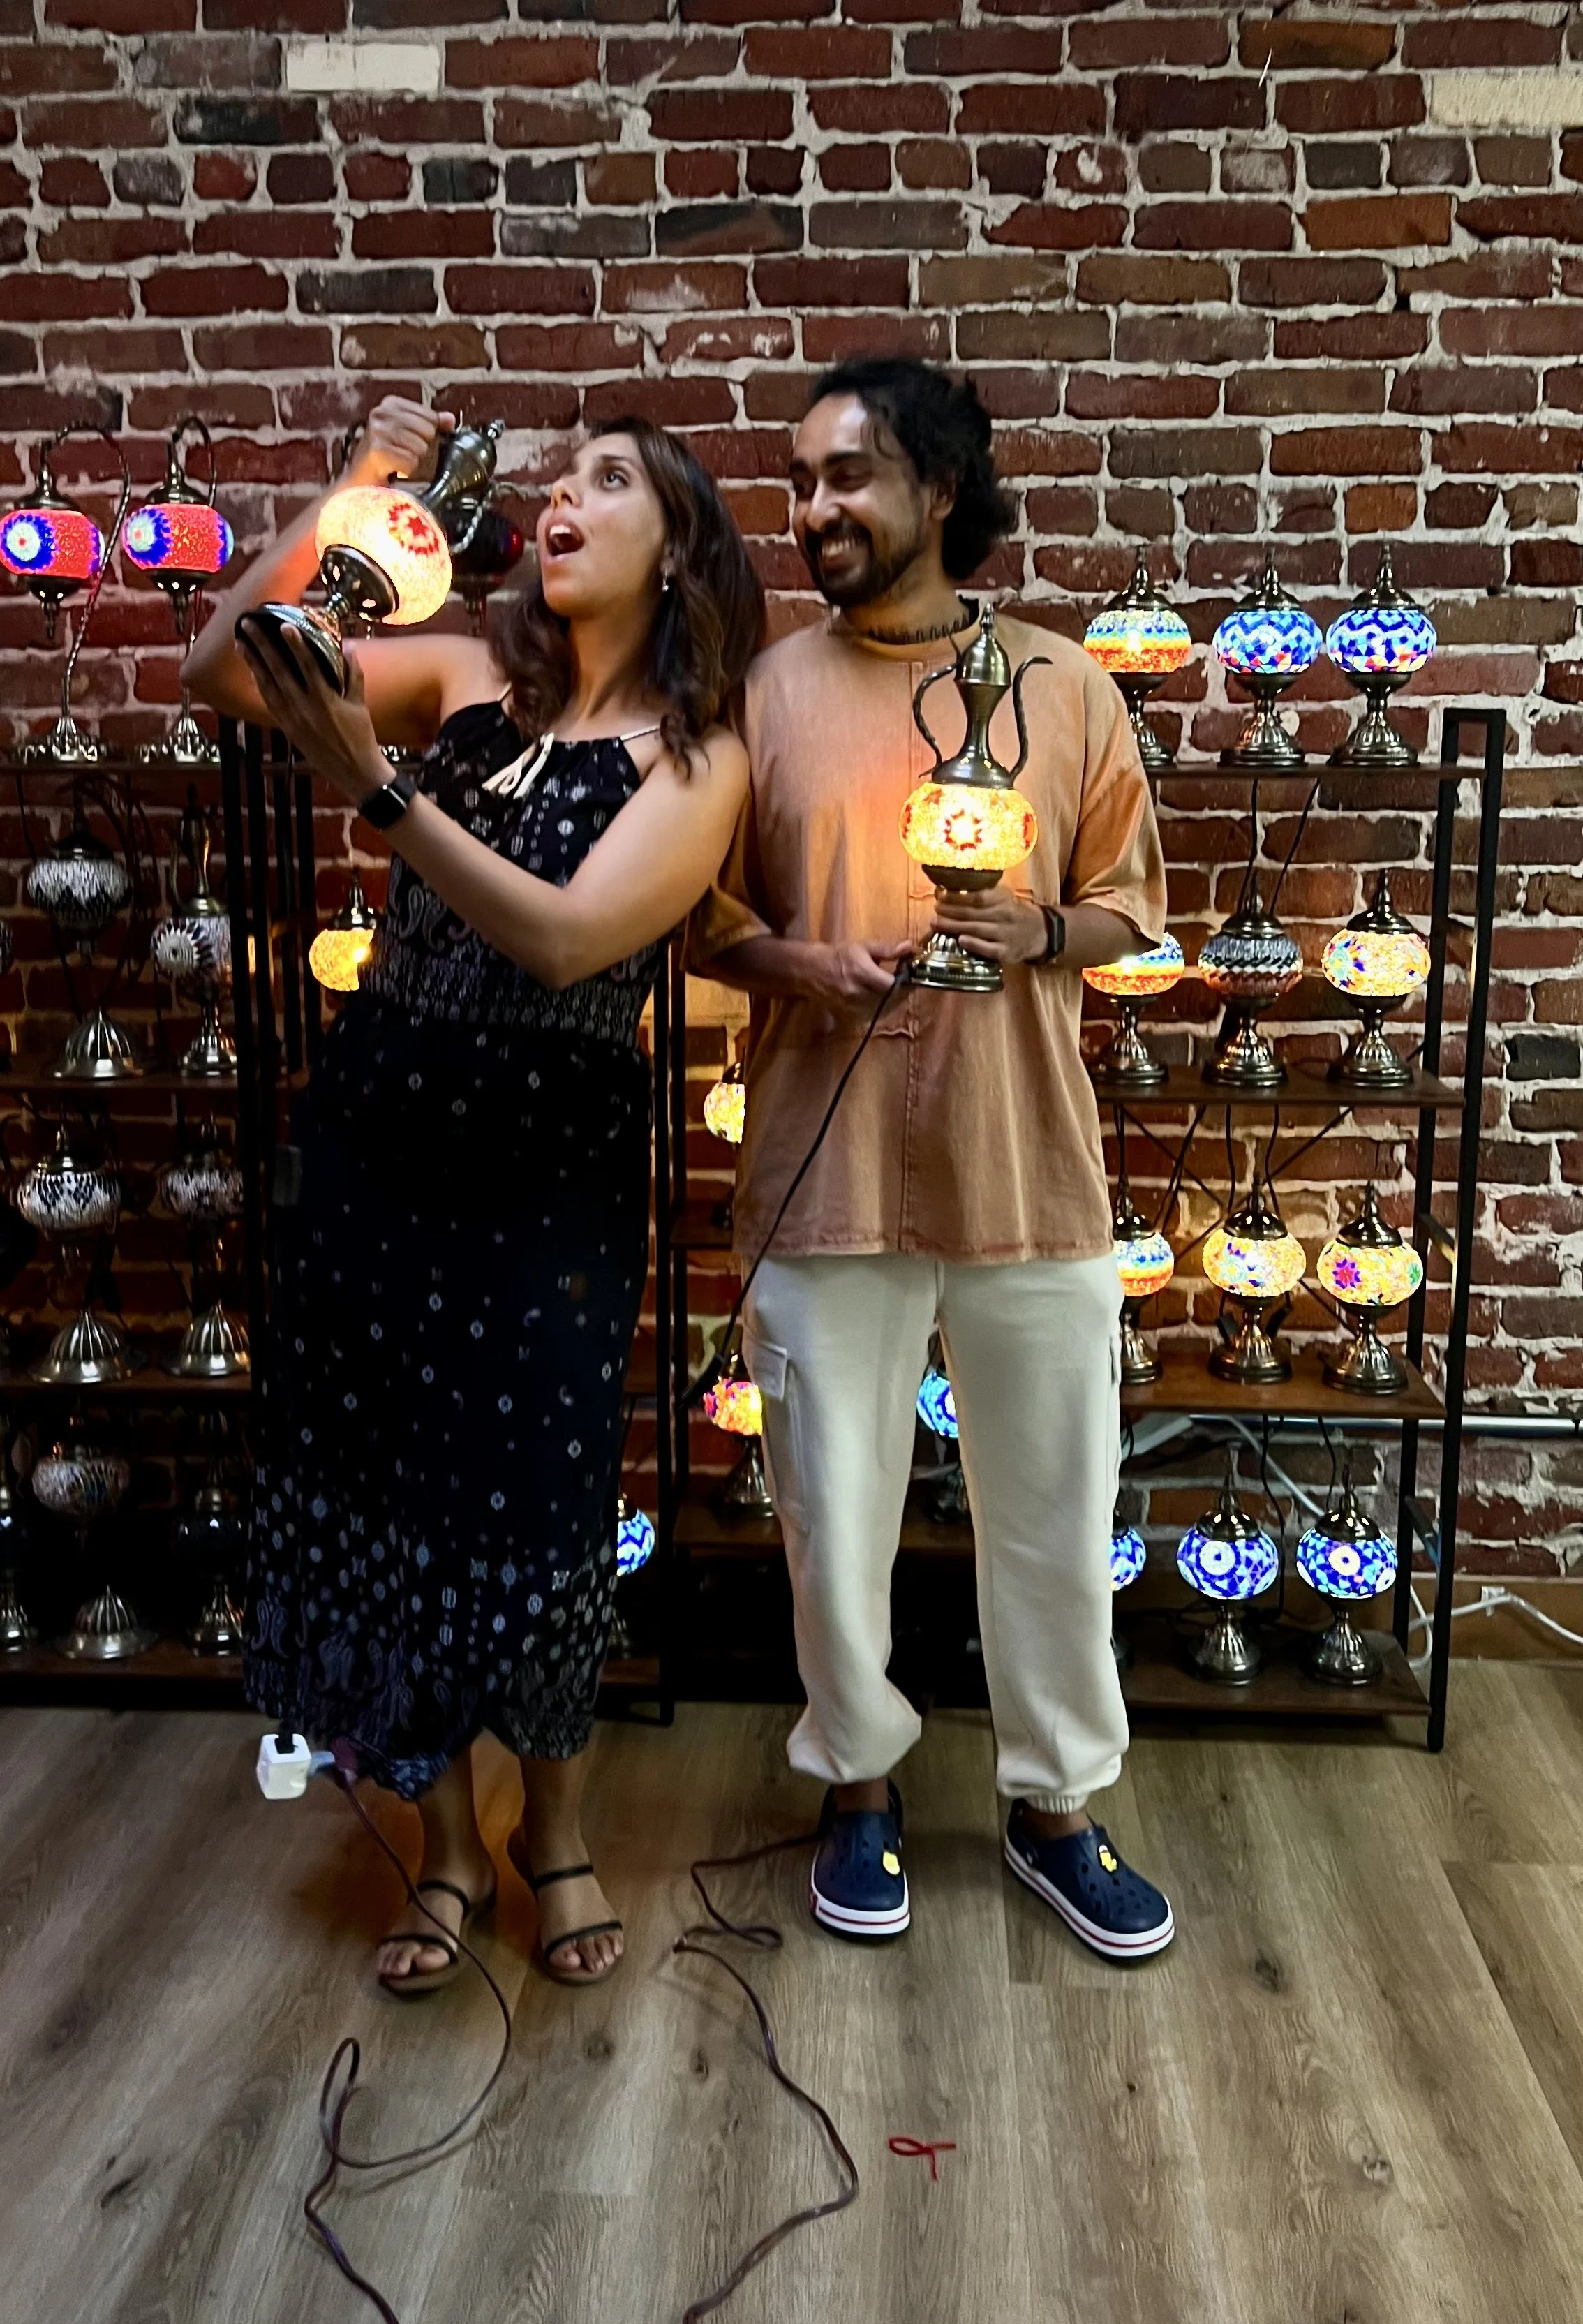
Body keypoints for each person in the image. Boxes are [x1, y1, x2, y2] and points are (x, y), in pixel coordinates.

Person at [185, 396, 760, 1992]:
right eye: (558, 477)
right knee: (381, 1487)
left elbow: (572, 939)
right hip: (382, 1132)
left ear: (681, 545)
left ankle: (552, 1836)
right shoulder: (462, 677)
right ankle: (443, 1850)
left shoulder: (697, 753)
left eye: (611, 482)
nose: (562, 497)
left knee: (537, 1502)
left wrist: (379, 794)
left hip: (544, 1166)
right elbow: (221, 664)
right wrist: (356, 484)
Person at [692, 358, 1175, 1960]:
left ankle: (1055, 1805)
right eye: (802, 479)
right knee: (833, 1504)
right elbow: (702, 912)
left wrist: (1044, 928)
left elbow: (1133, 906)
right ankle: (859, 1791)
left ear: (942, 491)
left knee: (1055, 1494)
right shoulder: (763, 694)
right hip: (825, 1166)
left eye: (848, 477)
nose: (813, 508)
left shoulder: (1067, 686)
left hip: (1027, 1159)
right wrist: (793, 968)